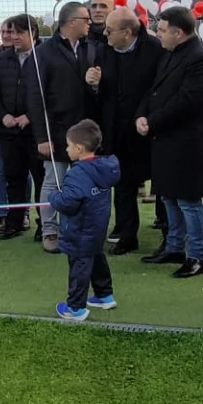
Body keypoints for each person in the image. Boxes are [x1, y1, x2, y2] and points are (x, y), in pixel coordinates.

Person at [139, 5, 203, 278]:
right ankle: (174, 247)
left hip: (187, 144)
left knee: (188, 201)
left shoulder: (201, 59)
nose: (157, 34)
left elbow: (186, 102)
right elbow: (154, 91)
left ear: (179, 32)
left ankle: (197, 256)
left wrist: (152, 121)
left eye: (161, 30)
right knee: (170, 197)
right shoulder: (170, 54)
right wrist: (143, 115)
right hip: (165, 140)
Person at [91, 9, 162, 255]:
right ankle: (126, 234)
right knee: (122, 185)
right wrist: (93, 84)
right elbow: (100, 93)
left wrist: (148, 116)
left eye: (110, 30)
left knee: (161, 182)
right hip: (115, 129)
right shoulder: (103, 50)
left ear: (127, 32)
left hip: (149, 127)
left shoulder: (155, 49)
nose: (105, 33)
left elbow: (160, 88)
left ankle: (169, 233)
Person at [28, 0, 94, 253]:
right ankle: (50, 231)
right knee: (53, 182)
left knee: (82, 182)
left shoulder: (92, 48)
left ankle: (76, 230)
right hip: (55, 130)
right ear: (72, 22)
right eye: (85, 19)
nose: (90, 23)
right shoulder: (44, 53)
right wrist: (42, 137)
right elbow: (36, 96)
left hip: (86, 132)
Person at [49, 119, 122, 321]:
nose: (66, 149)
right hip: (96, 228)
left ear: (79, 148)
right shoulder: (104, 167)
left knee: (79, 267)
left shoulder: (78, 173)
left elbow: (67, 203)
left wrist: (53, 197)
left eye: (68, 145)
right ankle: (104, 295)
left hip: (80, 230)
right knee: (96, 257)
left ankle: (75, 308)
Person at [0, 15, 42, 239]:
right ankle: (14, 222)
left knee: (41, 179)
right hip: (9, 132)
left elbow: (49, 93)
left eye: (19, 32)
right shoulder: (1, 59)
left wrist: (30, 116)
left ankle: (45, 225)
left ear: (33, 33)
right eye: (11, 32)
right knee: (13, 178)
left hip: (35, 132)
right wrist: (3, 115)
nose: (14, 37)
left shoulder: (44, 58)